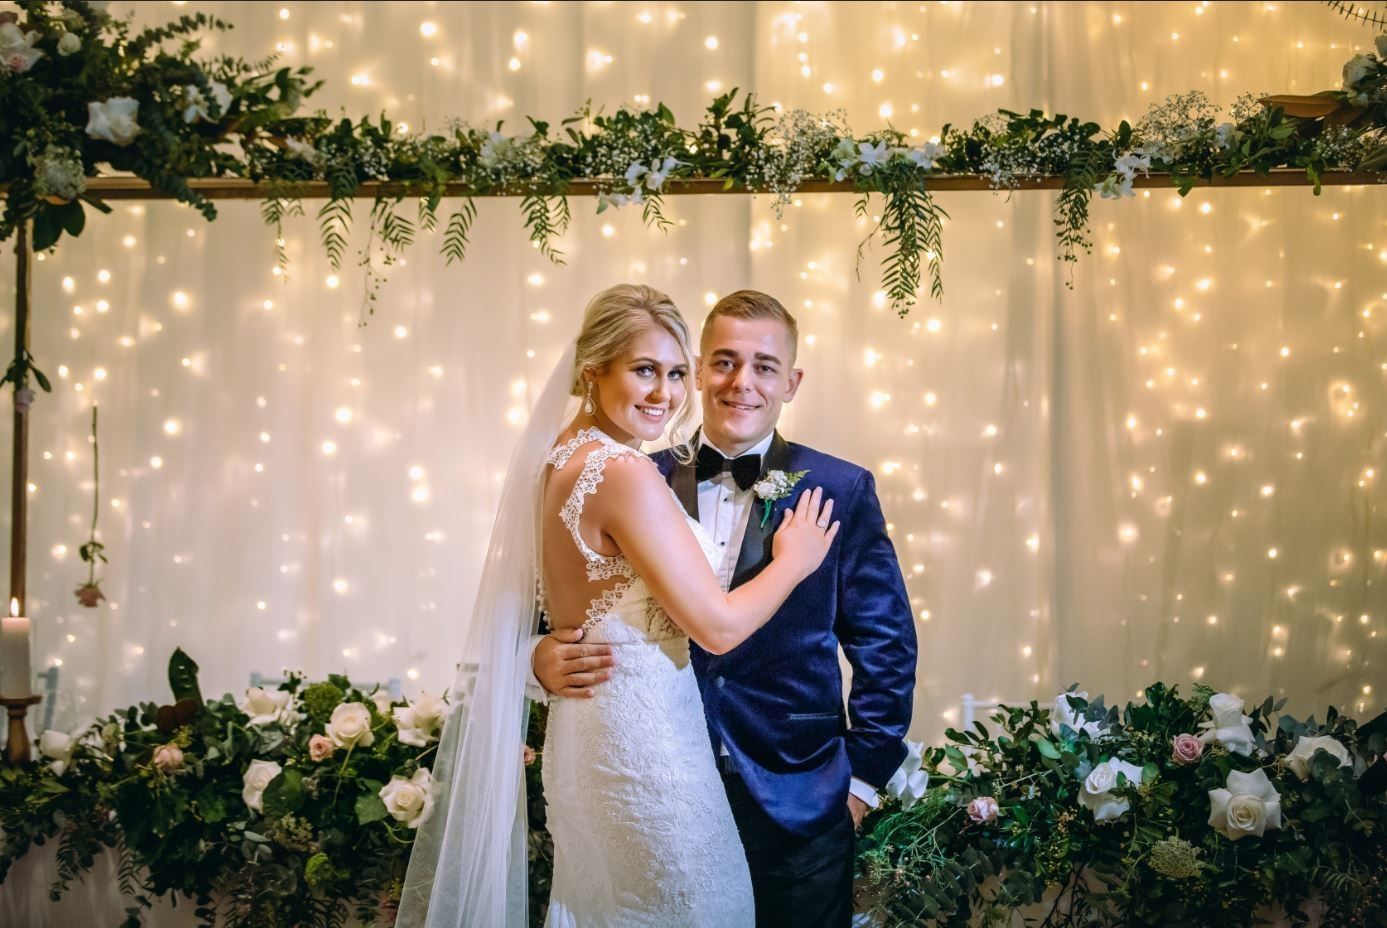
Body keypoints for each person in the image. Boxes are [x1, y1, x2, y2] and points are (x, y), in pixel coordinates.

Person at [398, 284, 838, 928]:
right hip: (649, 754)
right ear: (591, 370)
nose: (664, 393)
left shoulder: (556, 463)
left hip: (590, 745)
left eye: (675, 373)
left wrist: (538, 653)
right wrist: (794, 562)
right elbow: (716, 628)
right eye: (643, 370)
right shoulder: (627, 472)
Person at [534, 289, 917, 928]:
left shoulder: (840, 488)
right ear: (701, 366)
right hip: (658, 783)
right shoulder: (631, 468)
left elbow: (886, 645)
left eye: (765, 366)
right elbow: (562, 596)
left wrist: (858, 784)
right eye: (723, 362)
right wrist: (540, 655)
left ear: (791, 382)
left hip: (797, 793)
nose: (742, 382)